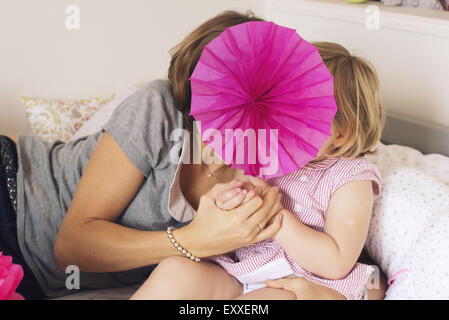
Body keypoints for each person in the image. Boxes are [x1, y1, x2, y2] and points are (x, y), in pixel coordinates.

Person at [0, 11, 385, 300]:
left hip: (37, 281)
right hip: (14, 196)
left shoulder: (278, 162)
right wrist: (192, 241)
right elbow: (72, 247)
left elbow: (336, 250)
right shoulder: (161, 109)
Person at [130, 41, 386, 300]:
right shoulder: (267, 156)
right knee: (176, 272)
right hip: (239, 271)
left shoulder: (350, 178)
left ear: (341, 134)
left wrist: (275, 217)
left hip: (300, 282)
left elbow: (336, 262)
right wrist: (234, 201)